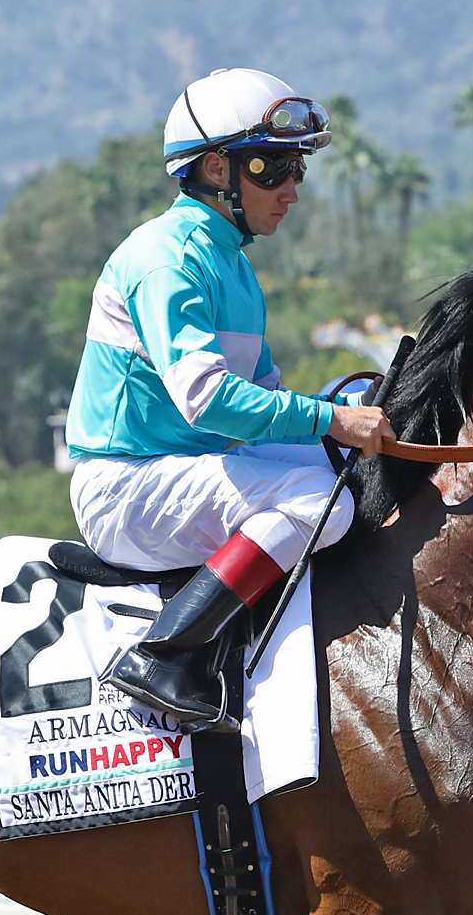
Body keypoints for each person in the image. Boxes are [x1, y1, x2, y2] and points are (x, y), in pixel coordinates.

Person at [65, 68, 393, 733]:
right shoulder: (165, 258)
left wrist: (346, 411)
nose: (292, 192)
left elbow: (265, 399)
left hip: (182, 469)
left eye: (296, 170)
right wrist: (332, 418)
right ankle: (168, 655)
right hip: (125, 485)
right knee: (316, 507)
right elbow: (209, 402)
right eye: (273, 170)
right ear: (216, 168)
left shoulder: (234, 266)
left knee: (334, 476)